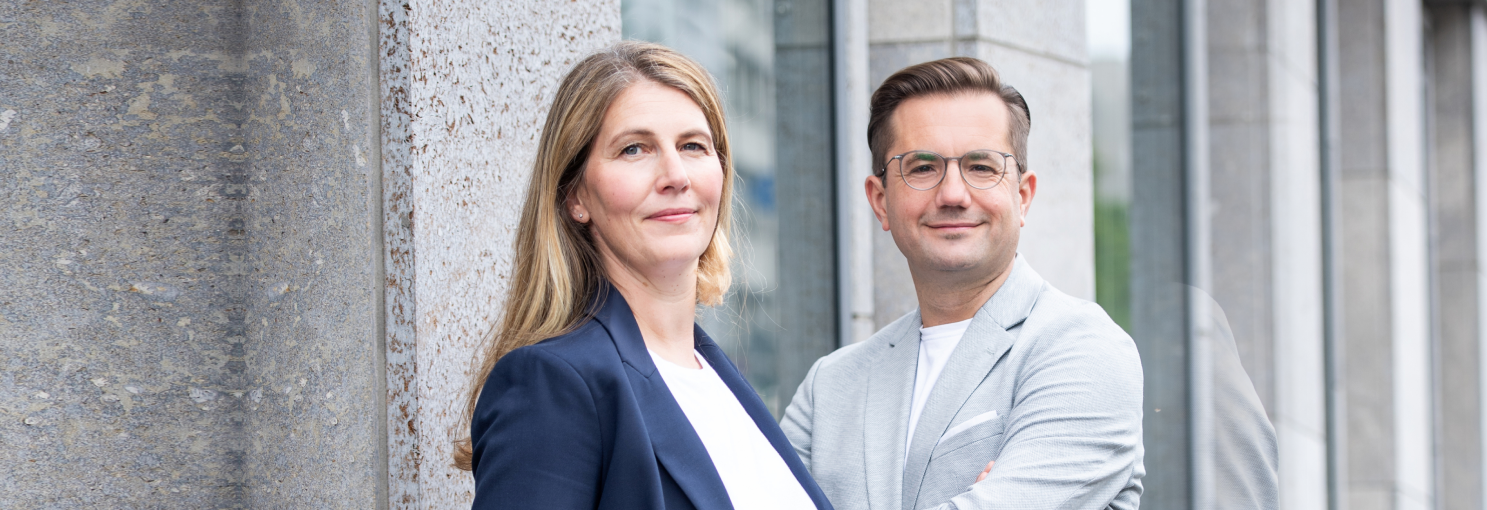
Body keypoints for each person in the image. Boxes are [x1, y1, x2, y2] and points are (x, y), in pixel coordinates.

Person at [457, 41, 832, 510]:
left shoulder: (720, 381)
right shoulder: (552, 384)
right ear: (576, 196)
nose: (676, 175)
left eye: (693, 146)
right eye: (634, 149)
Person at [779, 57, 1147, 510]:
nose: (953, 194)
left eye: (981, 167)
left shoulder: (1084, 349)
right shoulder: (830, 386)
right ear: (880, 201)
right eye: (922, 167)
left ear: (1022, 196)